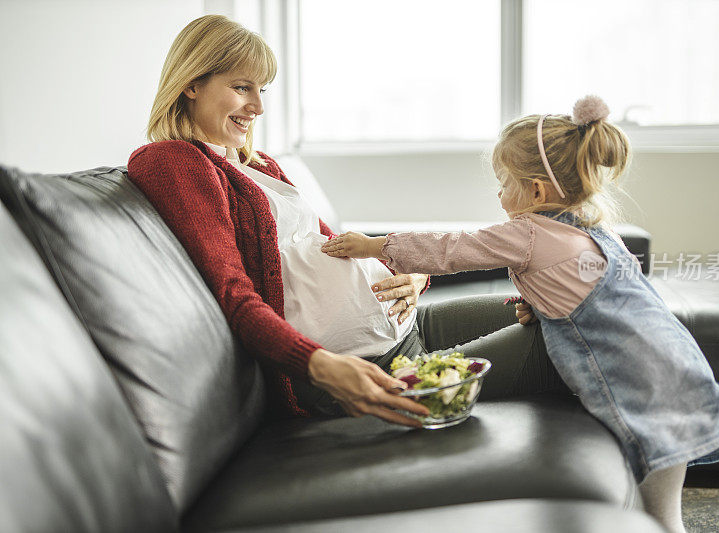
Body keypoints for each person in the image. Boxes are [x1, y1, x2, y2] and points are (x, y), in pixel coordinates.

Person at [321, 95, 719, 533]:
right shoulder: (593, 230)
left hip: (637, 378)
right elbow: (594, 296)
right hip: (674, 362)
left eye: (504, 182)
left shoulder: (529, 232)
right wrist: (545, 307)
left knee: (660, 518)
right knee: (659, 503)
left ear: (536, 191)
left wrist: (378, 246)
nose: (499, 193)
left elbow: (453, 248)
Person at [127, 15, 567, 430]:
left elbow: (339, 247)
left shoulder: (256, 165)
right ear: (190, 85)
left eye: (261, 90)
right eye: (242, 87)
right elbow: (232, 293)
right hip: (370, 365)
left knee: (566, 314)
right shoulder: (173, 162)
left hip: (407, 325)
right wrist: (321, 365)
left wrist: (412, 278)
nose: (257, 106)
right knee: (566, 343)